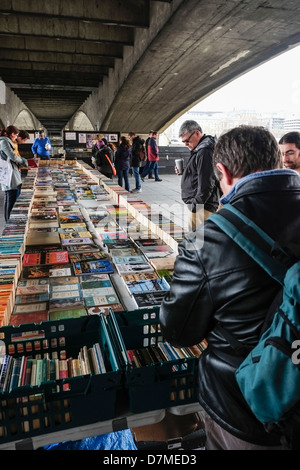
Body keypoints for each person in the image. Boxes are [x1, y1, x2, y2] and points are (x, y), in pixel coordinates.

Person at [159, 125, 300, 450]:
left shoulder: (207, 240)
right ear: (278, 159)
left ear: (222, 171)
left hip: (244, 406)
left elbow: (178, 333)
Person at [177, 120, 220, 231]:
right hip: (200, 206)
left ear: (197, 133)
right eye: (184, 142)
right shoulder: (201, 148)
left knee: (197, 243)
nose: (186, 144)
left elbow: (207, 183)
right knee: (196, 242)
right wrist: (187, 171)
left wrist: (195, 206)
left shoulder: (205, 151)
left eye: (187, 140)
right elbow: (201, 173)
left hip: (202, 208)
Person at [0, 125, 28, 222]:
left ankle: (8, 219)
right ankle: (9, 220)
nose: (16, 138)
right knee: (10, 197)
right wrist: (23, 161)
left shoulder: (5, 141)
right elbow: (12, 156)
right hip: (9, 173)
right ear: (12, 134)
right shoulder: (4, 142)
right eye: (16, 135)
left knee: (9, 196)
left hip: (10, 172)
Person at [13, 130, 30, 197]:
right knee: (16, 192)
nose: (24, 142)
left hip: (18, 169)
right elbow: (14, 158)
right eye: (24, 140)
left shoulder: (15, 144)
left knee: (18, 190)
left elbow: (18, 156)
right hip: (14, 171)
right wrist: (24, 164)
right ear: (19, 138)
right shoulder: (13, 144)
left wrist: (24, 166)